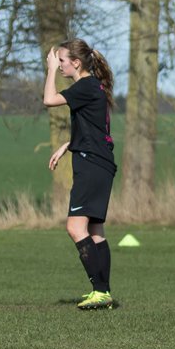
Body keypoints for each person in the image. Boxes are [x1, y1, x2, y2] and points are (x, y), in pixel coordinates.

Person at [43, 39, 118, 311]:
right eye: (58, 62)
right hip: (100, 163)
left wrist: (50, 70)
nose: (60, 65)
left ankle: (100, 290)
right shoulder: (94, 86)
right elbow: (92, 127)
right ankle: (104, 292)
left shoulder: (84, 86)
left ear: (76, 62)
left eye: (62, 61)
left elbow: (49, 100)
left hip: (91, 166)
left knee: (75, 227)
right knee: (95, 231)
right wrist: (68, 145)